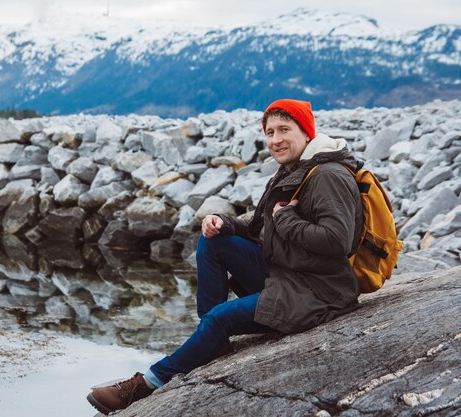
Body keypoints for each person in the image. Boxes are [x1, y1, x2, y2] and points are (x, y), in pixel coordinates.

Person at [86, 99, 364, 415]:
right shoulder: (293, 170)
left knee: (221, 317)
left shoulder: (328, 175)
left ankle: (144, 384)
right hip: (288, 274)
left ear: (307, 133)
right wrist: (224, 222)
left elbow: (337, 240)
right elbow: (260, 227)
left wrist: (286, 219)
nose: (275, 140)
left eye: (285, 130)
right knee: (213, 242)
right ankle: (212, 339)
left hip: (318, 292)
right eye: (270, 132)